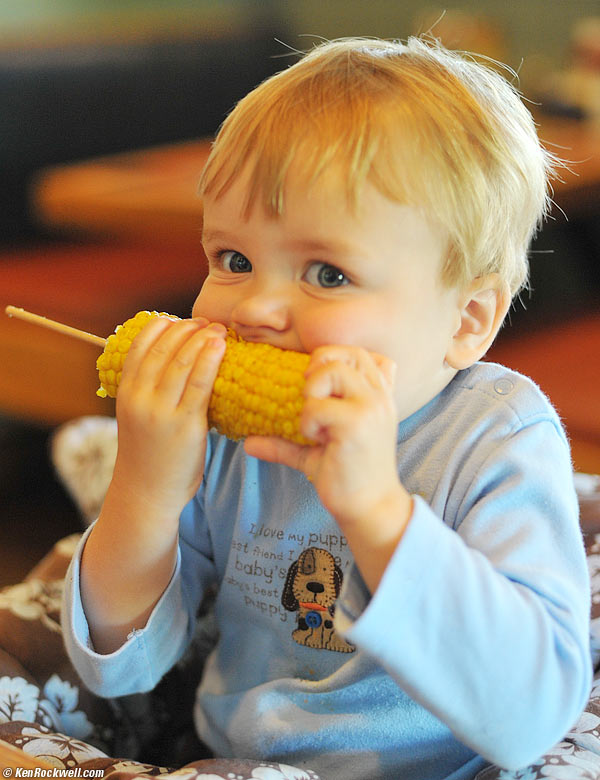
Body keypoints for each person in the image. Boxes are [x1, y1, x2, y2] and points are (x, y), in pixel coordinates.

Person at [62, 37, 592, 780]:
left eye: (327, 272)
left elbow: (531, 715)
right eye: (233, 260)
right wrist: (145, 489)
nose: (258, 309)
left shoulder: (496, 438)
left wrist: (377, 510)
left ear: (466, 321)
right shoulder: (222, 443)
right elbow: (122, 670)